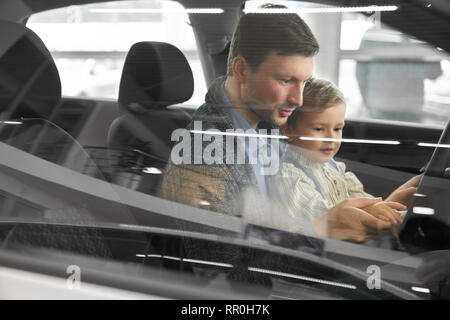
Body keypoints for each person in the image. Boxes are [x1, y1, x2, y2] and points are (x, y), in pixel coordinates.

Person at [160, 4, 406, 242]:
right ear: (242, 70)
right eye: (286, 80)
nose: (298, 99)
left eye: (304, 82)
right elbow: (218, 262)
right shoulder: (202, 158)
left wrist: (381, 210)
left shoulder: (269, 120)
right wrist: (321, 231)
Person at [277, 78, 421, 238]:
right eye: (319, 129)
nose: (331, 138)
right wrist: (380, 211)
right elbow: (332, 222)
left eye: (338, 129)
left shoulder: (334, 168)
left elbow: (366, 204)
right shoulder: (289, 178)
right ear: (289, 131)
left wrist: (391, 205)